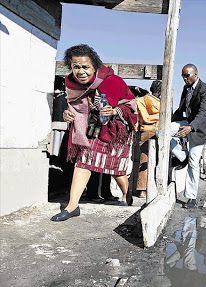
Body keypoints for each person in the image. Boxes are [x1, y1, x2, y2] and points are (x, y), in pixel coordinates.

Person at [51, 44, 137, 221]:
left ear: (95, 66)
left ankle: (126, 194)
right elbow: (74, 108)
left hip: (115, 131)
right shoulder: (71, 84)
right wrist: (68, 114)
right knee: (82, 164)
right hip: (90, 130)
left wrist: (115, 111)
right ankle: (72, 206)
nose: (80, 71)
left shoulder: (113, 81)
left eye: (85, 67)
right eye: (76, 67)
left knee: (116, 170)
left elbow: (131, 105)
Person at [172, 64, 206, 208]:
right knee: (162, 131)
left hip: (199, 129)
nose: (184, 79)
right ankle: (182, 156)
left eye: (187, 76)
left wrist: (191, 127)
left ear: (195, 74)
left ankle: (191, 197)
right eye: (183, 76)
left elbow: (204, 113)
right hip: (187, 123)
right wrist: (170, 120)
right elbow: (182, 109)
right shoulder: (186, 88)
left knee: (193, 160)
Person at [134, 80, 161, 198]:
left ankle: (142, 190)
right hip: (157, 131)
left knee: (143, 161)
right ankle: (154, 188)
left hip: (144, 131)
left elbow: (136, 119)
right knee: (158, 161)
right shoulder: (162, 103)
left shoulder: (140, 101)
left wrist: (136, 131)